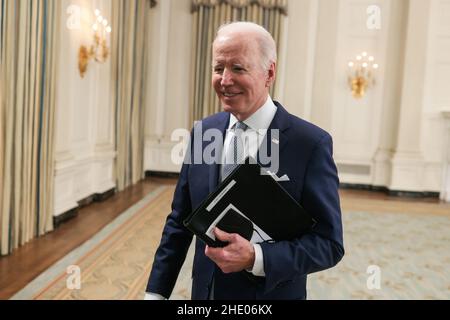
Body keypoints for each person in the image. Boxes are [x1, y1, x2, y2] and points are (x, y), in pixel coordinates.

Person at [145, 21, 344, 300]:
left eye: (238, 68)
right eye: (218, 68)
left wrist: (256, 257)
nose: (225, 80)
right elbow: (179, 223)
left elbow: (328, 244)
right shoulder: (204, 132)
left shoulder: (310, 144)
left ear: (269, 73)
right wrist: (156, 293)